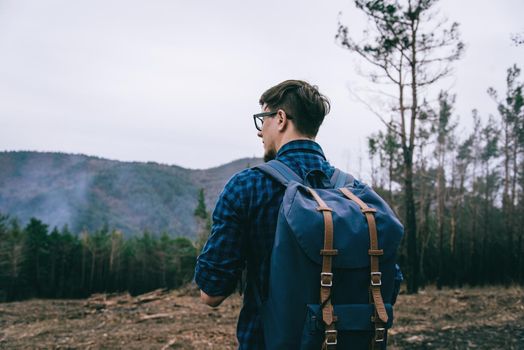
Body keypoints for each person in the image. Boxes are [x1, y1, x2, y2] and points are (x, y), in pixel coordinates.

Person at [194, 79, 334, 349]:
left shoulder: (247, 186)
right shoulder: (350, 190)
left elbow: (211, 293)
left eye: (263, 119)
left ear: (280, 118)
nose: (260, 132)